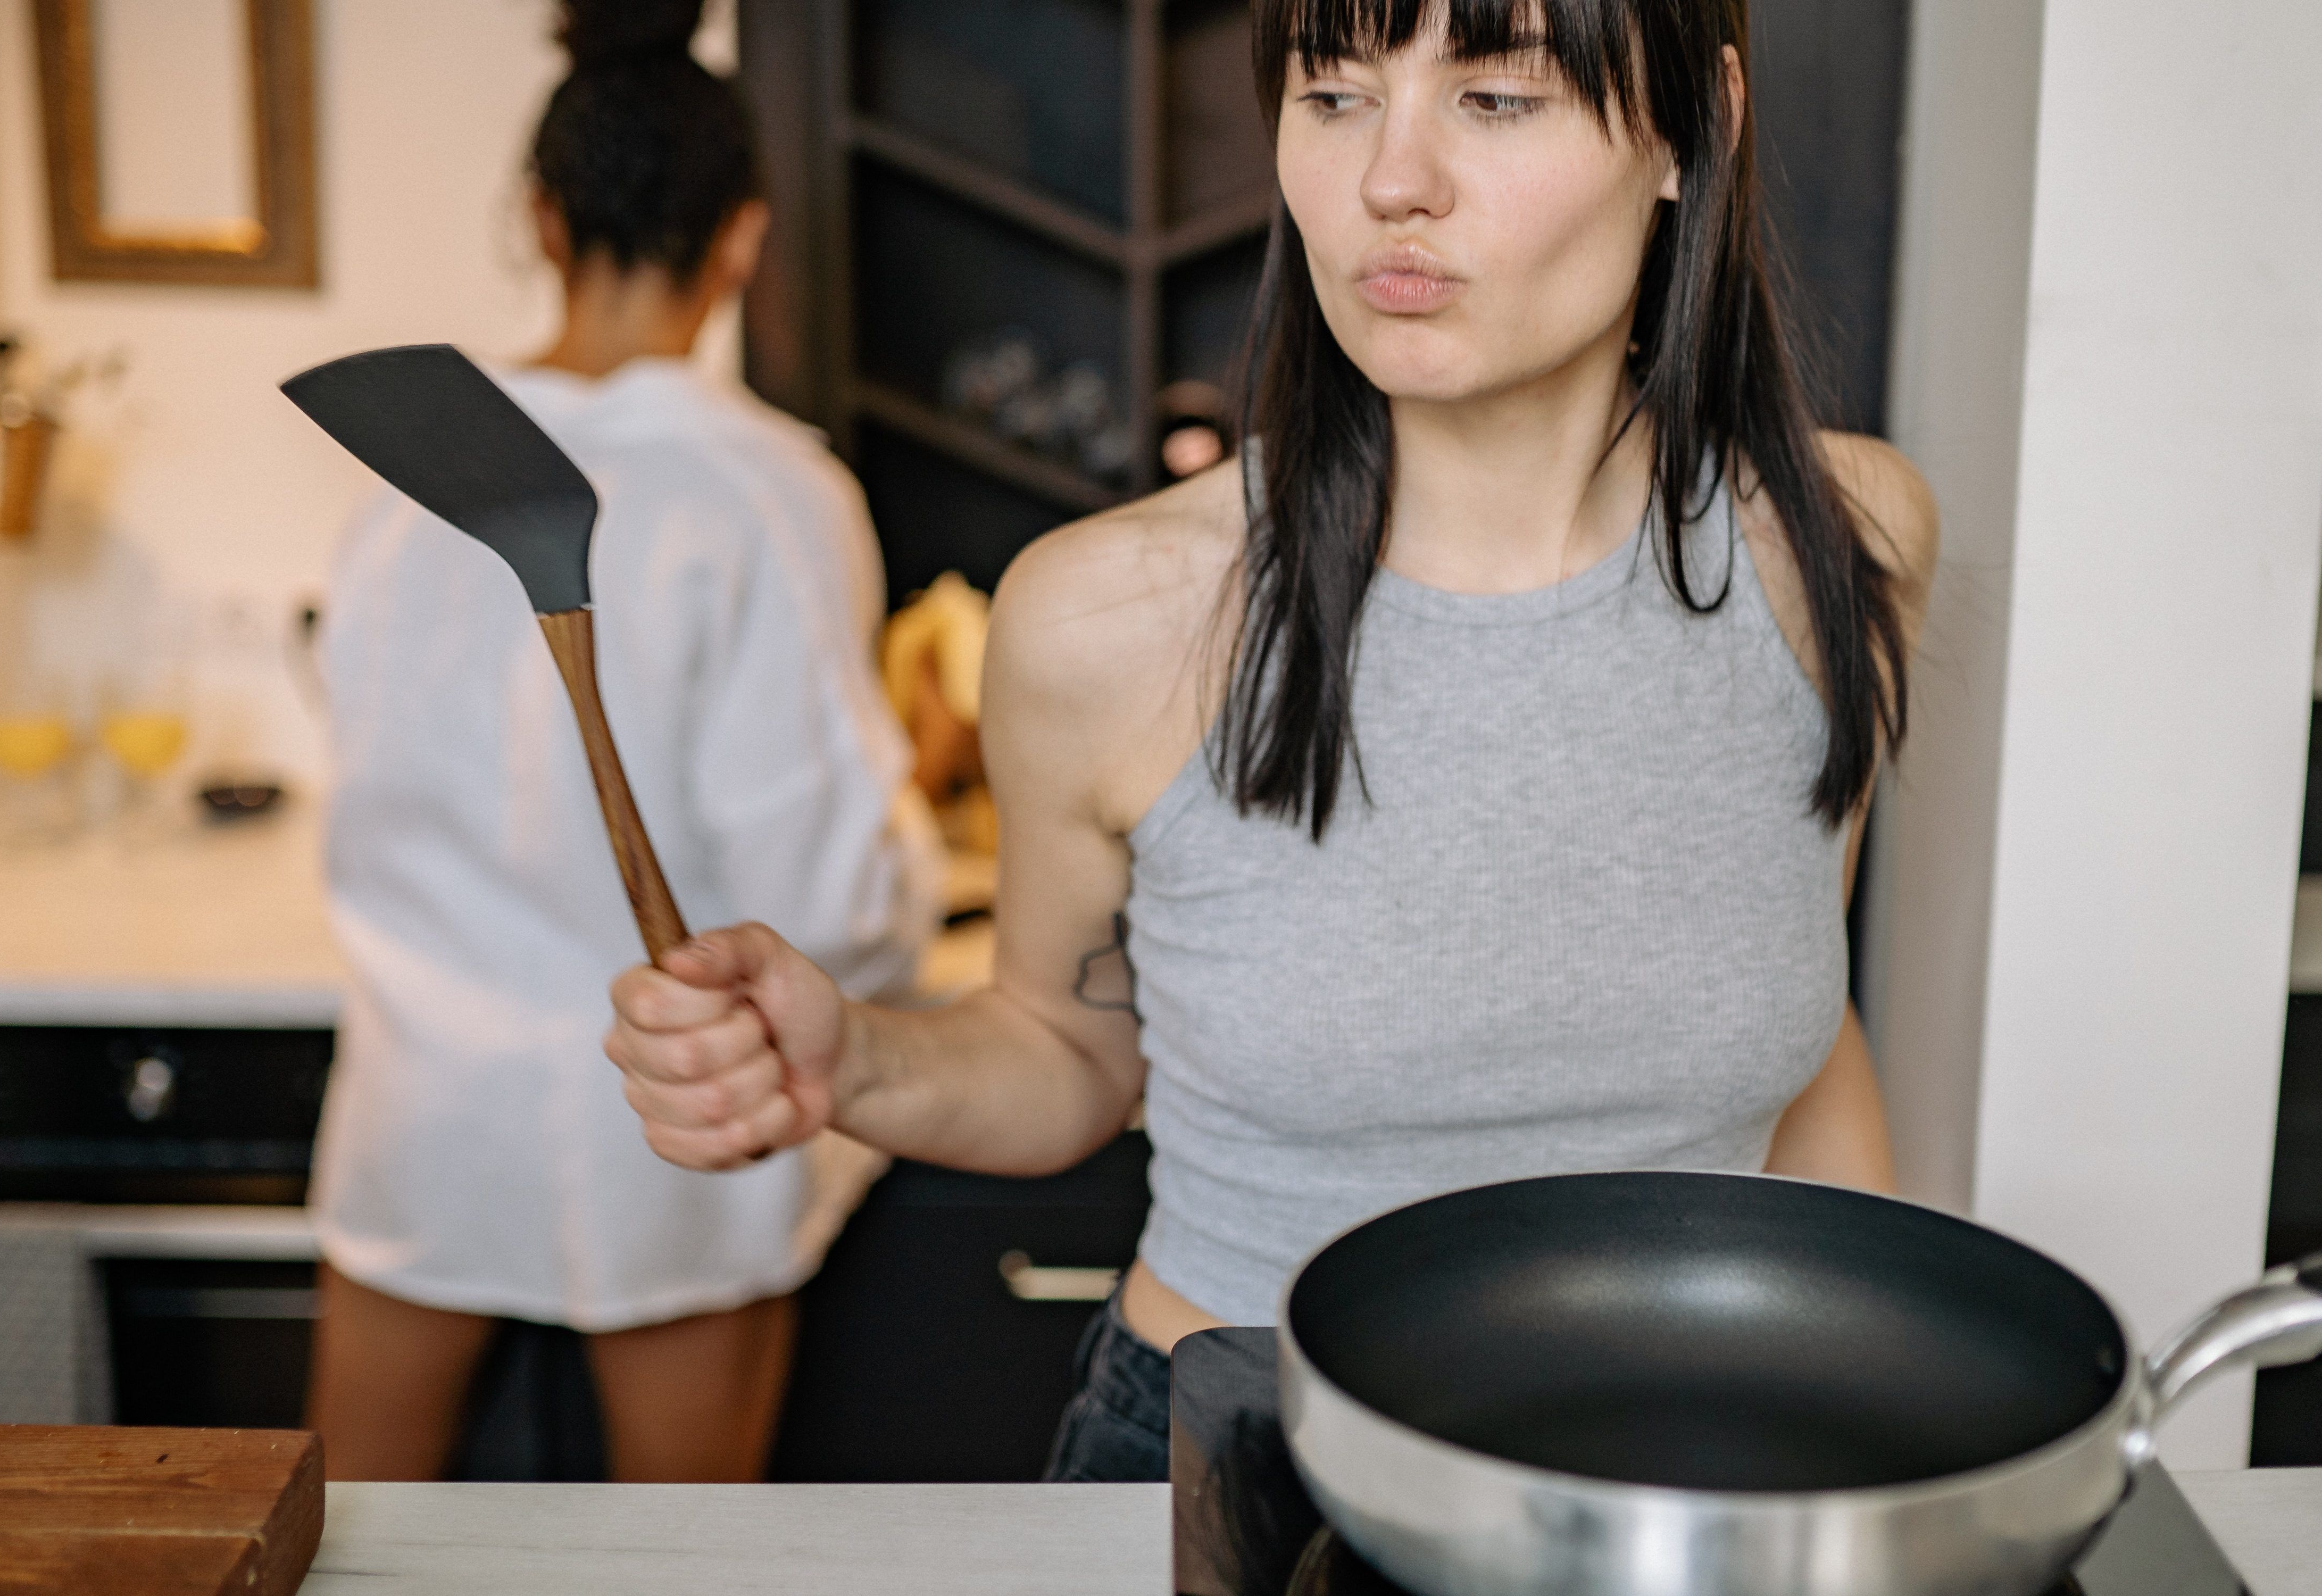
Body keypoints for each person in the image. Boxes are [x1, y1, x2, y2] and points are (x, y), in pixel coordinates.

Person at [602, 0, 1936, 1483]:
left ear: (1702, 129)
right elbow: (1067, 1051)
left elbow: (1806, 1051)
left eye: (1495, 99)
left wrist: (1879, 1434)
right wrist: (849, 1061)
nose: (1390, 180)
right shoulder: (1112, 618)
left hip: (1676, 1468)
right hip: (1239, 1464)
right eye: (1335, 92)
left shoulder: (1841, 546)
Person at [305, 0, 936, 1483]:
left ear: (539, 216)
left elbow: (368, 771)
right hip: (669, 1114)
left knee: (352, 1558)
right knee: (685, 1565)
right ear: (742, 240)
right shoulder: (771, 493)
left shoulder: (400, 479)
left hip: (425, 1099)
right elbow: (829, 881)